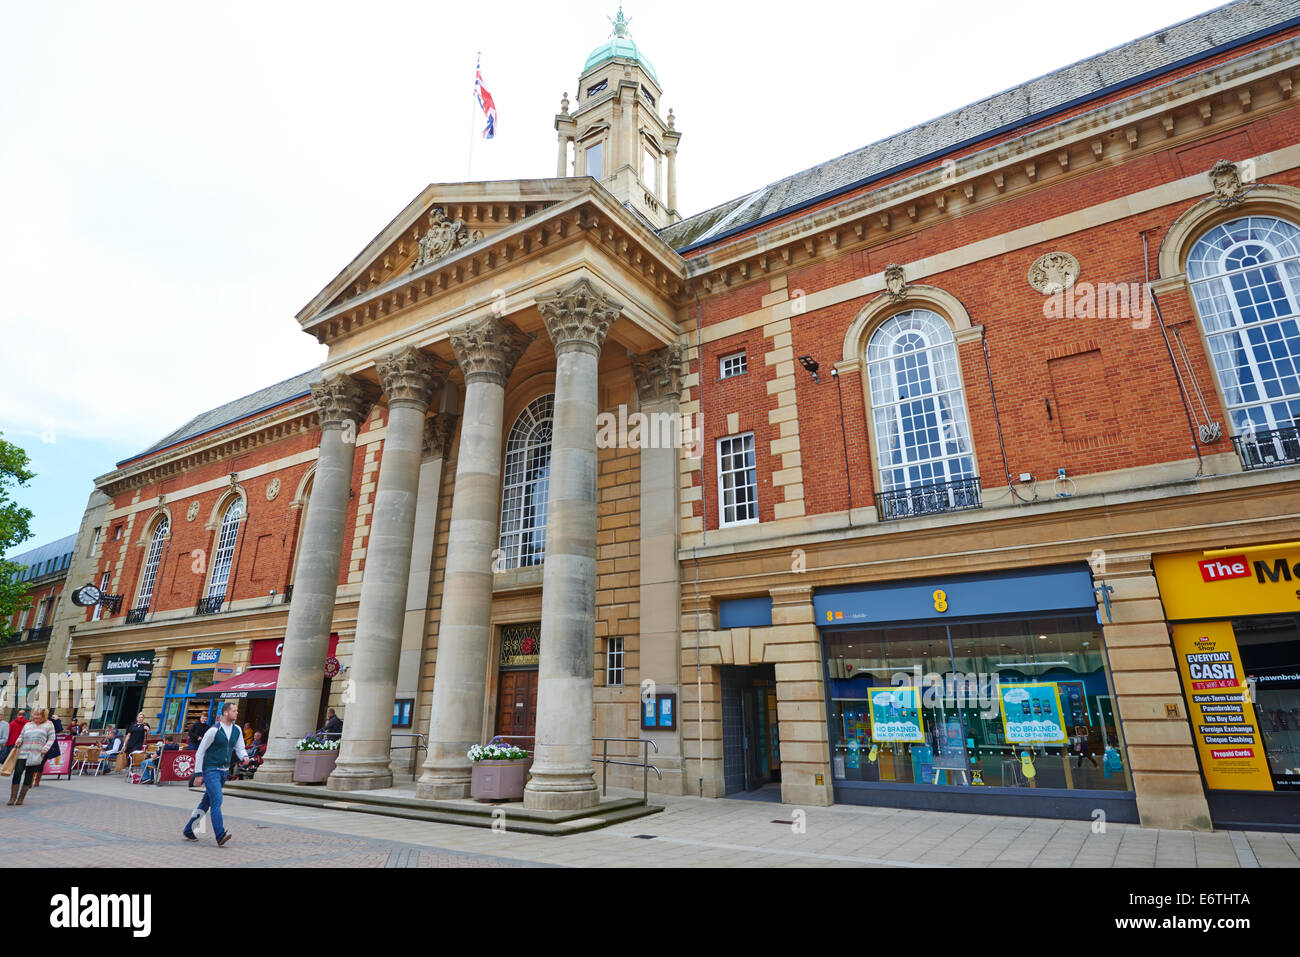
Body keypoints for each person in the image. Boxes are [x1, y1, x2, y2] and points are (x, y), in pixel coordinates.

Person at [182, 701, 248, 847]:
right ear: (225, 712)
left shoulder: (237, 729)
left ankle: (188, 830)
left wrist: (244, 756)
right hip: (211, 770)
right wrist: (198, 774)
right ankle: (220, 835)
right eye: (234, 711)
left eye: (237, 710)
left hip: (224, 771)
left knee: (206, 803)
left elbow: (240, 748)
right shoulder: (214, 730)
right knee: (217, 800)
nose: (237, 713)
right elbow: (200, 752)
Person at [7, 707, 54, 806]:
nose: (35, 717)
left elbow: (51, 738)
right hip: (23, 753)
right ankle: (12, 797)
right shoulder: (28, 725)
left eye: (38, 715)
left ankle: (21, 798)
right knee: (17, 774)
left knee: (29, 775)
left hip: (36, 754)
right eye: (35, 715)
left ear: (43, 716)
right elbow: (21, 735)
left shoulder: (48, 725)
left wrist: (45, 748)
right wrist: (18, 741)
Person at [32, 709, 63, 787]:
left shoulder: (51, 722)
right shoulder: (35, 722)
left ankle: (36, 781)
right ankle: (31, 780)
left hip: (46, 746)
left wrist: (57, 720)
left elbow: (59, 729)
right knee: (35, 763)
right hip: (36, 745)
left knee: (40, 764)